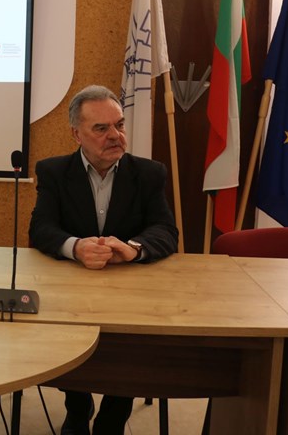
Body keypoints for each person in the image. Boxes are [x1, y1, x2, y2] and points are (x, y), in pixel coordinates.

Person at [29, 84, 178, 435]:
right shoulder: (53, 172)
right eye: (101, 128)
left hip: (131, 294)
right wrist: (75, 247)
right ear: (76, 134)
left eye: (119, 125)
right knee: (66, 337)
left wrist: (134, 248)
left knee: (129, 349)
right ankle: (78, 407)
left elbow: (165, 230)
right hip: (72, 293)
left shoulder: (149, 173)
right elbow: (41, 229)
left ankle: (113, 417)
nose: (115, 136)